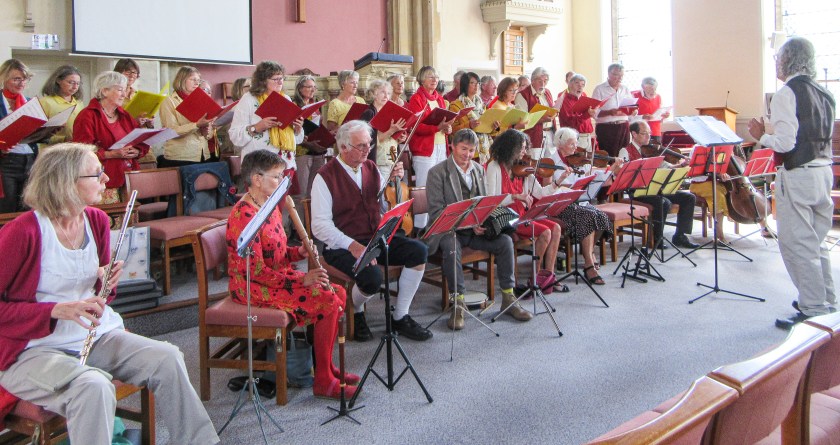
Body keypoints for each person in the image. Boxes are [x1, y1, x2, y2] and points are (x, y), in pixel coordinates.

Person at [0, 143, 220, 445]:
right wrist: (53, 310)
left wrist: (107, 282)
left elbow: (101, 298)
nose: (106, 180)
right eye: (97, 173)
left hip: (93, 337)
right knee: (93, 386)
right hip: (33, 349)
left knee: (168, 357)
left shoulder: (97, 221)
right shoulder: (22, 232)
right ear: (66, 181)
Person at [226, 149, 359, 399]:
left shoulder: (269, 206)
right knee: (328, 300)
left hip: (275, 278)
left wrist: (300, 252)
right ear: (256, 179)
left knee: (338, 292)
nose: (282, 182)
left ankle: (326, 367)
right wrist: (302, 279)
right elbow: (255, 270)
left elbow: (276, 251)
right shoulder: (243, 216)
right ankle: (323, 381)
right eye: (277, 176)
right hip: (252, 286)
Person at [311, 120, 432, 342]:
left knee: (418, 251)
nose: (368, 150)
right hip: (342, 245)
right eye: (361, 146)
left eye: (369, 144)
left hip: (374, 237)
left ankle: (400, 315)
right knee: (371, 278)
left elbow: (381, 207)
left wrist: (393, 184)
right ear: (343, 147)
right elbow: (319, 226)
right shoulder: (325, 176)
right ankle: (355, 310)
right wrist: (353, 245)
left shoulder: (370, 167)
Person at [746, 36, 836, 329]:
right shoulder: (825, 93)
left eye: (777, 58)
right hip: (823, 171)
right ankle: (828, 303)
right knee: (816, 242)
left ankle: (812, 309)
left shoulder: (787, 93)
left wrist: (760, 134)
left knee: (797, 244)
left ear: (787, 60)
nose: (775, 63)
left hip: (798, 175)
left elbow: (784, 143)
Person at [425, 129, 528, 329]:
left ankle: (509, 297)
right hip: (449, 231)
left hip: (475, 231)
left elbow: (485, 203)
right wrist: (467, 222)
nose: (468, 155)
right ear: (452, 147)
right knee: (452, 246)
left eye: (472, 150)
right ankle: (458, 303)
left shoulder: (478, 169)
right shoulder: (437, 173)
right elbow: (437, 212)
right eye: (463, 149)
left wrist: (482, 222)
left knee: (505, 242)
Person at [485, 129, 564, 295]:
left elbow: (541, 193)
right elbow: (491, 199)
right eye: (520, 148)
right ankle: (534, 278)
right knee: (545, 232)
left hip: (522, 216)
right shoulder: (494, 167)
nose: (523, 152)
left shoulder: (524, 169)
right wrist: (515, 196)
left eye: (524, 148)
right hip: (505, 217)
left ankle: (548, 276)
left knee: (556, 228)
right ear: (509, 148)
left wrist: (559, 181)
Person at [554, 127, 621, 285]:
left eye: (576, 144)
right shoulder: (553, 161)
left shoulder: (579, 159)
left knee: (601, 216)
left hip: (580, 202)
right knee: (588, 215)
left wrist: (612, 170)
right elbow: (555, 189)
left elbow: (598, 178)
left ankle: (588, 254)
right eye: (571, 145)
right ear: (560, 145)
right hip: (562, 205)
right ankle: (589, 264)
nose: (576, 148)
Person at [618, 121, 699, 249]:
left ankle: (680, 236)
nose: (648, 137)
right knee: (663, 202)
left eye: (649, 134)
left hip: (656, 188)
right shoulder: (625, 151)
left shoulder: (652, 150)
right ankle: (656, 239)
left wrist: (682, 165)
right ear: (634, 134)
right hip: (638, 191)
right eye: (644, 134)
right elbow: (624, 174)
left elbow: (668, 167)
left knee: (689, 198)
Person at [73, 71, 149, 204]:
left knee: (130, 222)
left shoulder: (124, 115)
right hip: (103, 180)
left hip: (128, 178)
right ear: (105, 91)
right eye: (120, 90)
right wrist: (111, 154)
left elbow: (140, 141)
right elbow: (81, 152)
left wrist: (137, 151)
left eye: (125, 90)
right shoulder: (87, 116)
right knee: (110, 222)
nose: (124, 95)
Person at [229, 61, 303, 169]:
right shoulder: (248, 99)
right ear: (263, 81)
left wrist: (297, 129)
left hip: (285, 163)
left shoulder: (285, 98)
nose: (280, 82)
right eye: (275, 79)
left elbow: (296, 139)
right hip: (259, 164)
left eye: (281, 78)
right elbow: (235, 135)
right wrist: (257, 127)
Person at [406, 65, 454, 228]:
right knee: (424, 188)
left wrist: (447, 128)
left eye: (436, 76)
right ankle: (420, 227)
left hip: (441, 147)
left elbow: (443, 122)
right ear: (421, 79)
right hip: (424, 150)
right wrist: (437, 128)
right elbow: (415, 127)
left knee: (440, 186)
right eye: (430, 76)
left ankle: (436, 225)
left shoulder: (440, 99)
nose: (434, 79)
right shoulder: (416, 99)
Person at [158, 66, 216, 167]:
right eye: (193, 79)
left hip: (203, 154)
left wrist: (207, 131)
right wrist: (196, 125)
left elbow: (208, 135)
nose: (197, 83)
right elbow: (171, 131)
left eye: (198, 80)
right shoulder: (169, 101)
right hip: (180, 156)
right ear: (182, 80)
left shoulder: (201, 101)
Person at [0, 59, 38, 213]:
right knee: (7, 208)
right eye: (16, 79)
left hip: (29, 159)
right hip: (5, 161)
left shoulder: (29, 102)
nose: (21, 83)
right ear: (4, 78)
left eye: (25, 79)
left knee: (28, 207)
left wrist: (47, 130)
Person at [359, 78, 407, 178]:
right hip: (378, 161)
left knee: (393, 191)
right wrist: (391, 131)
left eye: (388, 93)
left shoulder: (390, 111)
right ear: (374, 94)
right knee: (381, 191)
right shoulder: (369, 113)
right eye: (382, 92)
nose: (386, 96)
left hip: (392, 158)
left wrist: (399, 138)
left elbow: (389, 139)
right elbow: (369, 141)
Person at [293, 75, 328, 198]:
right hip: (302, 152)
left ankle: (311, 217)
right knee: (301, 193)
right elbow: (291, 133)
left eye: (314, 87)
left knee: (314, 192)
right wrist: (307, 143)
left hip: (317, 151)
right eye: (309, 87)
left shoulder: (315, 106)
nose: (313, 90)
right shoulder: (294, 106)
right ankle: (299, 217)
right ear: (300, 89)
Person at [592, 63, 636, 157]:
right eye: (616, 75)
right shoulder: (599, 89)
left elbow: (632, 106)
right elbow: (594, 112)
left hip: (623, 126)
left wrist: (633, 111)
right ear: (609, 74)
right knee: (609, 156)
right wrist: (609, 112)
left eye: (621, 75)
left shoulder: (625, 89)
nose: (619, 78)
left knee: (624, 155)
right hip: (606, 128)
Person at [448, 72, 492, 164]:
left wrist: (494, 126)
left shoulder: (481, 104)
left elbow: (485, 125)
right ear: (465, 85)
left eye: (478, 83)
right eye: (472, 83)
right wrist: (469, 125)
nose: (476, 86)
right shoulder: (456, 105)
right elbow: (452, 130)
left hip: (482, 150)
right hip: (466, 152)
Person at [515, 67, 557, 158]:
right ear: (532, 80)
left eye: (545, 81)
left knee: (551, 165)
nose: (543, 84)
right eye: (539, 81)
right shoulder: (523, 95)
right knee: (534, 165)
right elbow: (522, 121)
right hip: (534, 136)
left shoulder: (547, 92)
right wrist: (542, 119)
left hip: (550, 134)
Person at [39, 65, 83, 145]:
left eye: (78, 83)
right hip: (53, 152)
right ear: (58, 80)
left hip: (75, 150)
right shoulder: (45, 102)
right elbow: (38, 135)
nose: (75, 87)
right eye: (71, 82)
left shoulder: (79, 104)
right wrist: (64, 139)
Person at [557, 73, 596, 151]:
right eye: (577, 83)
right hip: (574, 137)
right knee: (576, 162)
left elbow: (587, 120)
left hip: (587, 136)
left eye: (583, 84)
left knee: (588, 162)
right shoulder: (564, 99)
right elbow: (571, 122)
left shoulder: (584, 97)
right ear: (570, 84)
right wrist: (587, 114)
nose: (580, 86)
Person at [633, 77, 670, 144]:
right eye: (650, 89)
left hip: (655, 132)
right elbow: (629, 117)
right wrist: (642, 117)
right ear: (643, 87)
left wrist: (665, 116)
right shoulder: (634, 96)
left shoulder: (658, 97)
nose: (653, 91)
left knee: (656, 154)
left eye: (655, 89)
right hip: (640, 133)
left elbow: (661, 117)